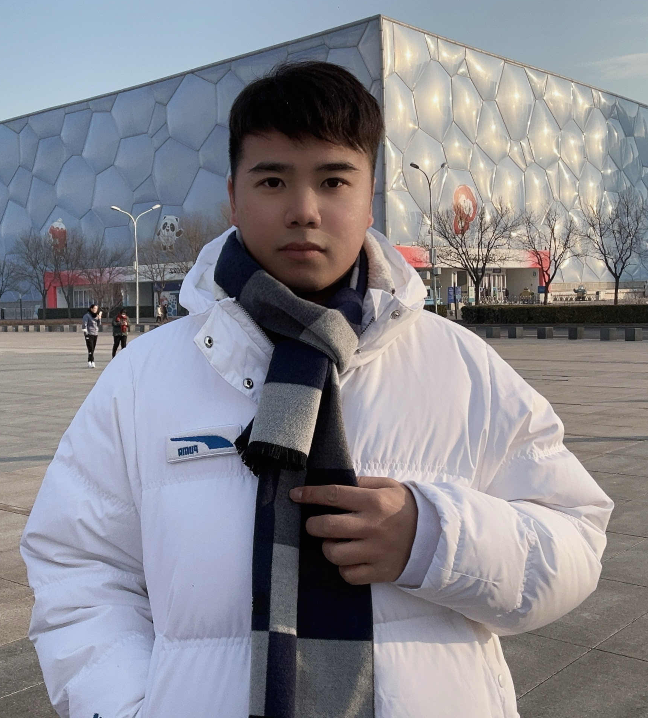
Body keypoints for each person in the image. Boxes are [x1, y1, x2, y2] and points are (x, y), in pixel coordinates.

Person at [21, 62, 613, 718]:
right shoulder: (144, 378)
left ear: (369, 197)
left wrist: (435, 539)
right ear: (233, 197)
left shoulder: (461, 367)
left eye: (333, 180)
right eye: (273, 181)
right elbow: (80, 569)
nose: (304, 210)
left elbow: (575, 539)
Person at [81, 303, 101, 368]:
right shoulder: (87, 316)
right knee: (90, 348)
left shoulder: (96, 316)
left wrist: (99, 318)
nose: (95, 310)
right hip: (89, 334)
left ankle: (90, 360)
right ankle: (91, 361)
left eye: (96, 309)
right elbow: (84, 324)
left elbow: (99, 324)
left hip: (95, 333)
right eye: (94, 308)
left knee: (93, 348)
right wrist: (86, 333)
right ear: (91, 308)